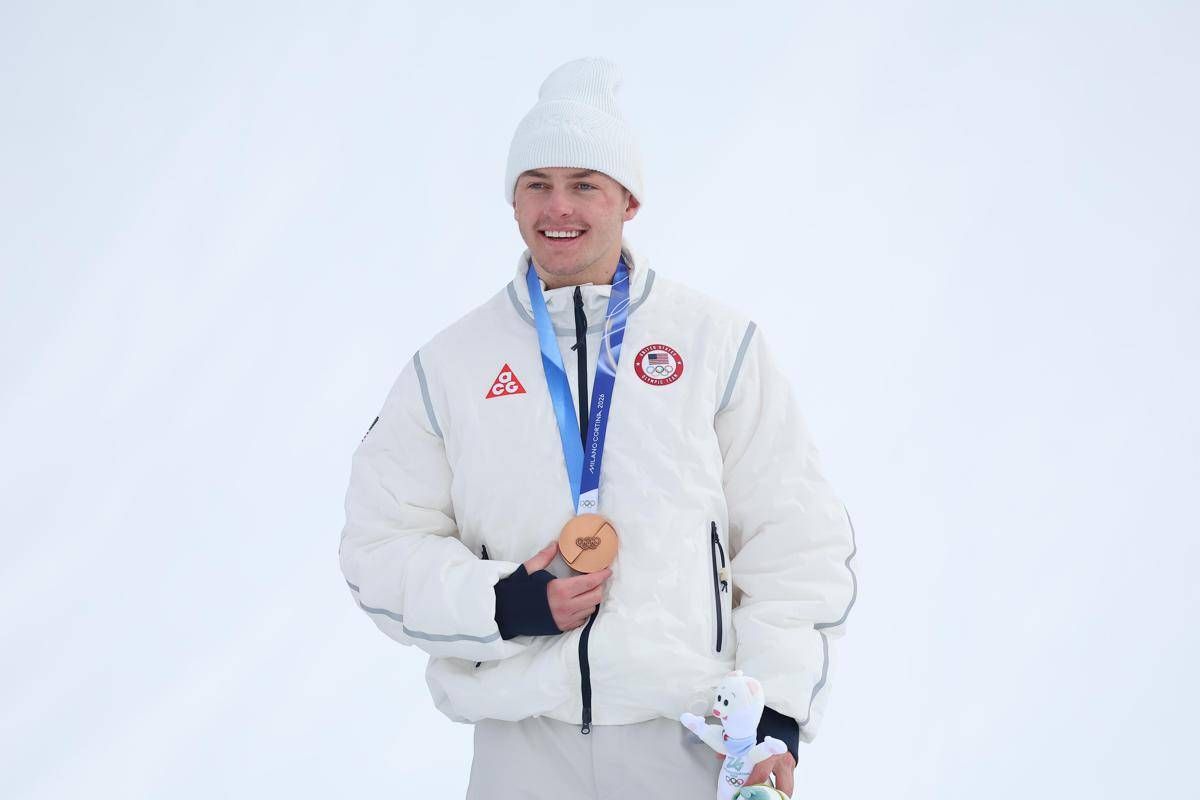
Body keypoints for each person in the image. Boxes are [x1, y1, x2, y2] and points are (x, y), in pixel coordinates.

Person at [338, 56, 858, 799]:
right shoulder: (449, 368)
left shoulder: (715, 344)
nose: (559, 207)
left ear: (628, 200)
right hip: (522, 748)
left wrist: (776, 713)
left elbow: (797, 537)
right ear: (513, 201)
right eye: (537, 185)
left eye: (585, 184)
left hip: (689, 742)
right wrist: (506, 602)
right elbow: (378, 546)